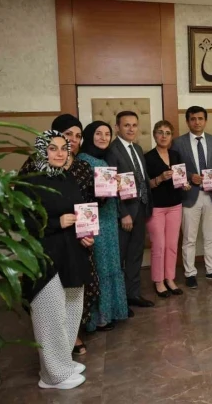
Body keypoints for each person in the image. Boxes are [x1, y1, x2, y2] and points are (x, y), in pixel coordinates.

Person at [19, 131, 93, 389]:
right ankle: (51, 376)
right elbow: (22, 221)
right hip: (45, 255)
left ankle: (62, 362)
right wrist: (55, 222)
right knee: (50, 314)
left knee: (71, 309)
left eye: (64, 148)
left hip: (72, 253)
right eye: (53, 148)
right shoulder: (30, 182)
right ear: (42, 151)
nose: (60, 153)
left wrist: (85, 234)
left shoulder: (67, 177)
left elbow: (79, 212)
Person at [77, 121, 130, 333]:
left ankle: (112, 311)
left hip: (108, 217)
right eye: (98, 134)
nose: (103, 138)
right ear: (89, 136)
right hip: (93, 219)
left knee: (111, 264)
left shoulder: (105, 158)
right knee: (99, 267)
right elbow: (81, 194)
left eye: (107, 134)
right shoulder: (83, 160)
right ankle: (98, 318)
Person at [172, 106, 212, 287]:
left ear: (205, 120)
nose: (197, 122)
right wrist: (190, 176)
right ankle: (190, 273)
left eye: (200, 118)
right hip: (190, 196)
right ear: (187, 121)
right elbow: (175, 169)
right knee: (189, 237)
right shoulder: (178, 142)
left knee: (211, 235)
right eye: (193, 119)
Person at [105, 111, 154, 308]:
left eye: (134, 125)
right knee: (119, 257)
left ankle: (133, 294)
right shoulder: (112, 150)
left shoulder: (138, 148)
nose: (131, 129)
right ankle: (119, 301)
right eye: (126, 125)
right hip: (124, 213)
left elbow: (143, 178)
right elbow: (111, 186)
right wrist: (123, 213)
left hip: (141, 207)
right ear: (117, 127)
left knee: (135, 254)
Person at [144, 120, 188, 297]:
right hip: (156, 207)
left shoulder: (176, 155)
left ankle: (170, 278)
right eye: (160, 132)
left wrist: (185, 184)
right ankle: (158, 281)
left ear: (171, 136)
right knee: (159, 245)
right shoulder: (147, 157)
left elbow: (181, 178)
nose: (164, 136)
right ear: (154, 135)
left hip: (175, 205)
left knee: (171, 245)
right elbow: (145, 185)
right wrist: (160, 178)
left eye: (167, 133)